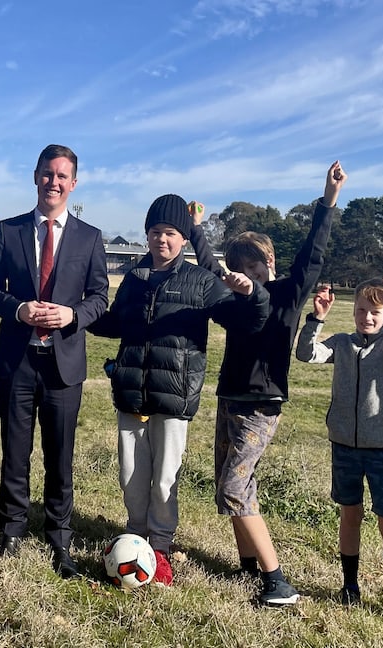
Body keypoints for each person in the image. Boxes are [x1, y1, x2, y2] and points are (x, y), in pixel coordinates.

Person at [89, 194, 269, 585]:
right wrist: (78, 317)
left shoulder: (202, 282)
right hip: (131, 392)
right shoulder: (135, 278)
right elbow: (117, 323)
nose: (161, 240)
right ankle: (135, 535)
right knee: (131, 475)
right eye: (155, 232)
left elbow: (247, 322)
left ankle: (161, 547)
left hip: (174, 398)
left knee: (165, 477)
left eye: (170, 233)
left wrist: (252, 294)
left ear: (184, 238)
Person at [214, 161, 346, 606]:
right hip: (228, 397)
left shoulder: (290, 291)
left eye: (255, 265)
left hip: (262, 404)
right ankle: (247, 565)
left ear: (270, 262)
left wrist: (328, 201)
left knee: (234, 487)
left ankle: (278, 581)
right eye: (241, 268)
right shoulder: (233, 303)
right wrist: (195, 229)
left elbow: (313, 252)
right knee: (233, 486)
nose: (249, 273)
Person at [0, 144, 109, 578]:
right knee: (14, 452)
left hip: (63, 365)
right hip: (17, 360)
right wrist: (17, 309)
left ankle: (60, 536)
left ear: (74, 183)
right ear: (35, 177)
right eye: (47, 174)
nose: (53, 182)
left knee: (60, 455)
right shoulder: (9, 230)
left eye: (62, 176)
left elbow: (99, 298)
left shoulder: (90, 237)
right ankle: (12, 531)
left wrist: (73, 315)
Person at [295, 277, 383, 623]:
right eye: (361, 310)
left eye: (375, 312)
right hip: (344, 445)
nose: (367, 317)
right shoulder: (342, 343)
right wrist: (317, 318)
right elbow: (306, 353)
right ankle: (349, 587)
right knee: (350, 515)